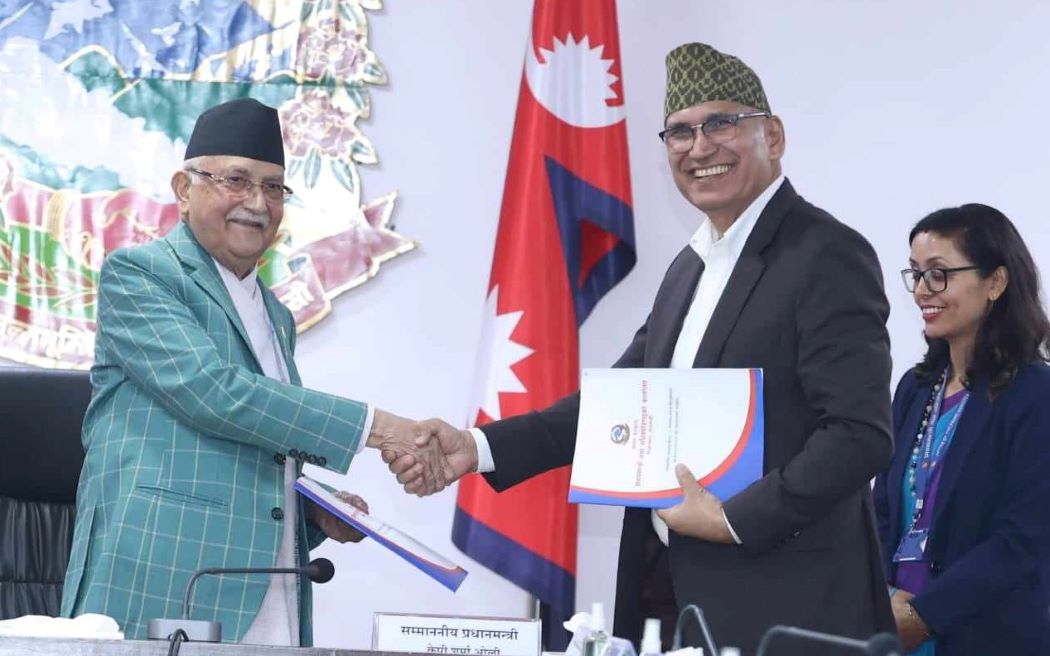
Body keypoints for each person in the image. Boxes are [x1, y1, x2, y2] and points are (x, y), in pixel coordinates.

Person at [389, 43, 895, 653]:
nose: (699, 147)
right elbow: (616, 407)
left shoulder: (826, 254)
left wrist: (732, 520)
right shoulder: (690, 266)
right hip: (672, 598)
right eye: (680, 131)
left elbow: (858, 434)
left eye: (721, 123)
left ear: (774, 136)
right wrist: (476, 447)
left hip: (786, 610)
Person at [60, 98, 444, 645]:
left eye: (273, 188)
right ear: (184, 188)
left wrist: (313, 514)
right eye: (236, 181)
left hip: (265, 586)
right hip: (166, 580)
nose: (257, 203)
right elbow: (214, 394)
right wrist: (379, 428)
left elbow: (248, 451)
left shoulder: (275, 314)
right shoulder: (142, 275)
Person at [873, 204, 1050, 654]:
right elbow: (882, 512)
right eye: (916, 274)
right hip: (893, 628)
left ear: (995, 282)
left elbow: (1024, 539)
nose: (922, 291)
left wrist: (926, 615)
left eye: (939, 274)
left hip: (985, 634)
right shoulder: (914, 389)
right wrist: (877, 600)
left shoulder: (1035, 394)